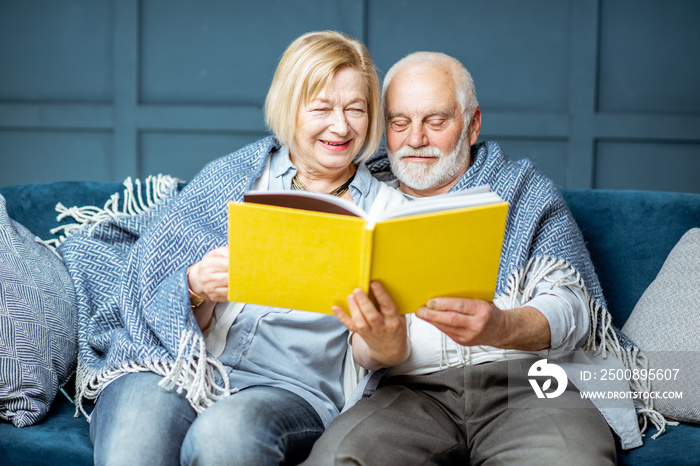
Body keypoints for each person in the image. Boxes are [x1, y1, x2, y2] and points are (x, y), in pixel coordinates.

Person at [58, 31, 406, 466]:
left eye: (356, 109)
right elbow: (155, 296)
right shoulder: (236, 177)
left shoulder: (387, 213)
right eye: (321, 108)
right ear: (289, 107)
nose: (340, 126)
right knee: (135, 441)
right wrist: (196, 287)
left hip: (290, 392)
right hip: (184, 366)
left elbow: (371, 353)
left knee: (224, 436)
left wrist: (383, 339)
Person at [302, 52, 662, 465]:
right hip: (405, 392)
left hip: (529, 384)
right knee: (340, 457)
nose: (415, 139)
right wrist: (380, 346)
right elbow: (347, 346)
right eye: (400, 123)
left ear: (471, 125)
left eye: (435, 122)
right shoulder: (357, 204)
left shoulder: (524, 191)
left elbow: (573, 309)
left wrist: (503, 325)